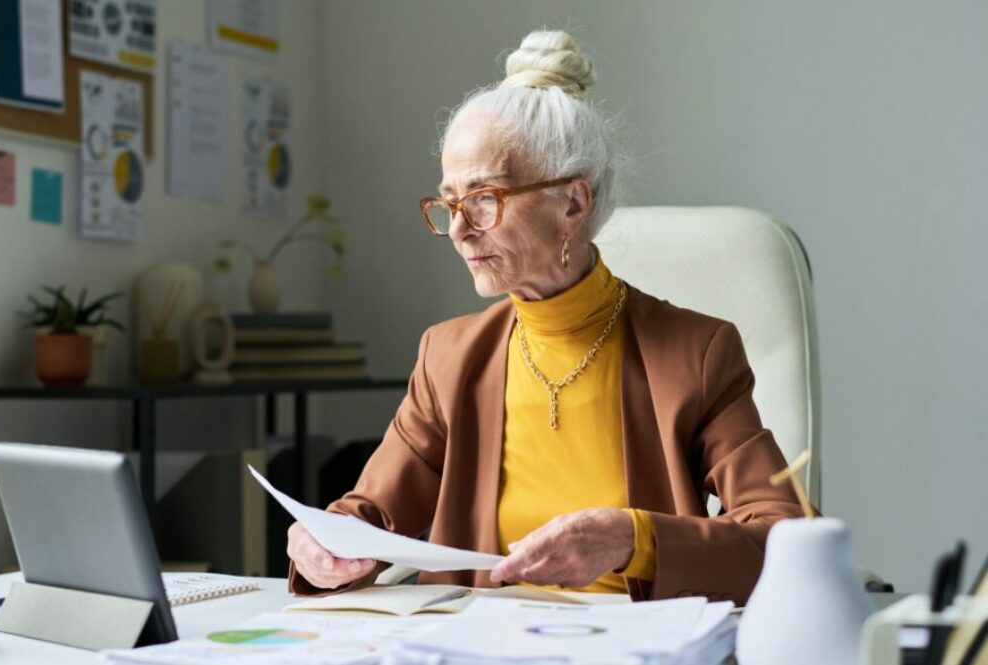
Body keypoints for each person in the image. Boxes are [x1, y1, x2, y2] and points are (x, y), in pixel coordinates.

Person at [287, 29, 804, 605]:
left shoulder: (698, 353)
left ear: (573, 204)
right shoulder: (448, 356)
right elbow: (367, 517)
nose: (458, 230)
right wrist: (323, 546)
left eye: (484, 198)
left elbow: (784, 541)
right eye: (449, 202)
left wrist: (634, 540)